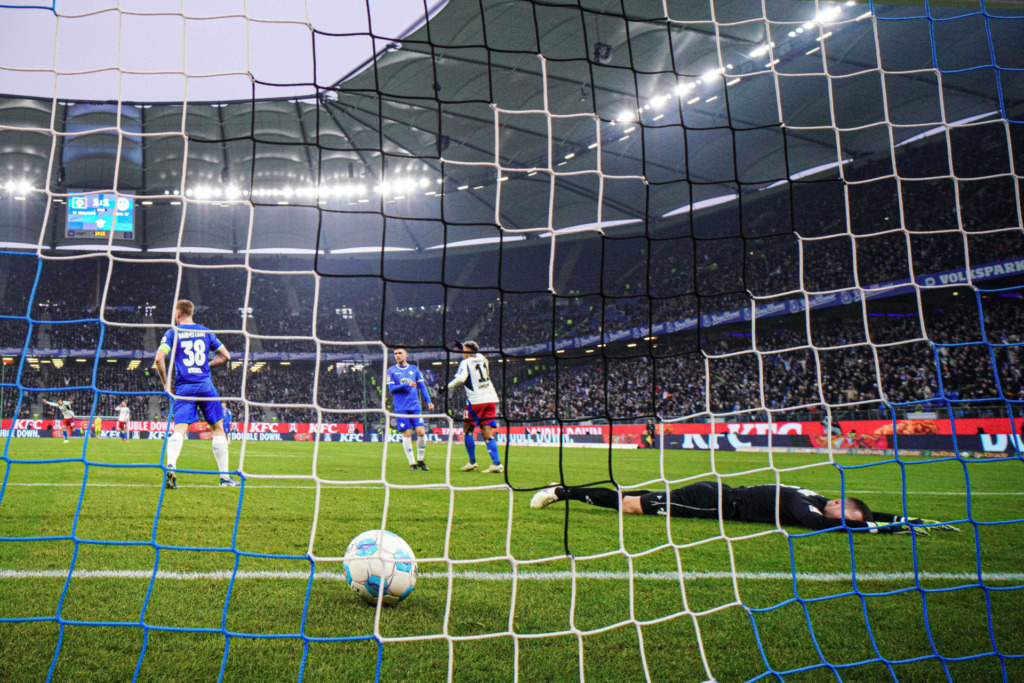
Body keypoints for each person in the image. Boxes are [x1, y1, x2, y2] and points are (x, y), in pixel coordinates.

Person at [530, 481, 961, 534]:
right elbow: (816, 524)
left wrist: (902, 519)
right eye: (844, 515)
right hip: (713, 504)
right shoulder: (804, 504)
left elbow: (860, 513)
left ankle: (565, 491)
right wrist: (880, 529)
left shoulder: (816, 496)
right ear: (835, 504)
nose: (841, 519)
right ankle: (562, 492)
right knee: (630, 507)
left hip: (715, 495)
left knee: (635, 498)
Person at [154, 299, 235, 489]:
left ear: (178, 314)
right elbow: (226, 356)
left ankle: (171, 466)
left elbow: (159, 358)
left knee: (179, 430)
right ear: (192, 313)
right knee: (218, 428)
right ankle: (224, 478)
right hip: (206, 386)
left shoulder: (173, 332)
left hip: (184, 388)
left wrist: (166, 384)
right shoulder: (206, 331)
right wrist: (206, 365)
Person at [437, 340, 503, 473]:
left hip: (475, 401)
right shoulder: (483, 358)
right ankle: (496, 463)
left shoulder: (465, 362)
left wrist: (445, 387)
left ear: (467, 351)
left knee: (467, 430)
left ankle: (472, 462)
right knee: (487, 433)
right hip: (490, 399)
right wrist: (462, 346)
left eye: (463, 351)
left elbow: (460, 379)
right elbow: (474, 354)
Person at [385, 347, 434, 471]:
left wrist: (429, 401)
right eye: (395, 353)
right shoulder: (391, 370)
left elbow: (422, 386)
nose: (397, 355)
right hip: (401, 408)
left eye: (400, 353)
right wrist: (407, 384)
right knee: (406, 433)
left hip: (415, 407)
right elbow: (391, 389)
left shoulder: (414, 369)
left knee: (421, 432)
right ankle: (412, 463)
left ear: (406, 355)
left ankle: (420, 460)